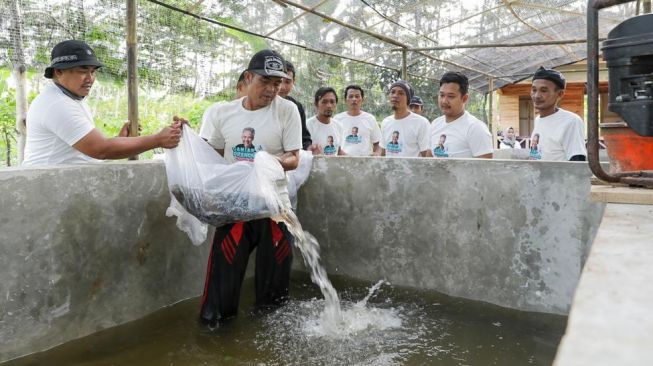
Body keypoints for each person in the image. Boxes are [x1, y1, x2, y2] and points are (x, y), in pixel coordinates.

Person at [198, 49, 301, 327]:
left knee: (274, 301)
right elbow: (212, 157)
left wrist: (265, 162)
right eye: (265, 81)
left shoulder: (287, 110)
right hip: (235, 210)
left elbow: (293, 158)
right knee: (220, 295)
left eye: (277, 83)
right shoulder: (222, 113)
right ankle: (217, 337)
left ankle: (269, 342)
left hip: (274, 211)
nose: (272, 89)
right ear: (247, 77)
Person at [22, 40, 182, 166]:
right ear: (59, 72)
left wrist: (119, 140)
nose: (90, 78)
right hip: (44, 189)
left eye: (93, 71)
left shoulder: (70, 97)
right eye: (83, 71)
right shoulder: (56, 104)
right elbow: (100, 149)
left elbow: (85, 150)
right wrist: (157, 140)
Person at [427, 71, 493, 159]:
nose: (444, 101)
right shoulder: (435, 124)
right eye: (442, 95)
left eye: (450, 96)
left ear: (464, 98)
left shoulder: (475, 128)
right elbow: (428, 162)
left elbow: (485, 169)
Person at [529, 66, 587, 161]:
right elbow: (535, 156)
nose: (536, 95)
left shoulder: (571, 121)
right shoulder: (538, 120)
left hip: (559, 176)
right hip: (538, 175)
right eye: (534, 90)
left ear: (560, 94)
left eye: (544, 90)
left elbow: (577, 162)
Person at [380, 80, 429, 157]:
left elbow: (426, 155)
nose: (395, 96)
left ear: (408, 100)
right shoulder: (385, 122)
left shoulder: (421, 123)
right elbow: (383, 153)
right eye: (392, 92)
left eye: (401, 93)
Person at [334, 85, 382, 156]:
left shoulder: (370, 119)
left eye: (357, 96)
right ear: (345, 100)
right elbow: (333, 143)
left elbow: (378, 144)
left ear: (362, 100)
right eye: (351, 96)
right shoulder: (337, 119)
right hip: (342, 162)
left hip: (365, 163)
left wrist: (376, 154)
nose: (354, 99)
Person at [279, 60, 312, 150]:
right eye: (279, 81)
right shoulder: (262, 103)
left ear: (294, 82)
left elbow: (304, 138)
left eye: (287, 82)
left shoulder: (297, 107)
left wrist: (309, 148)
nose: (282, 87)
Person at [306, 87, 344, 156]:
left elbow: (338, 151)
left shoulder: (338, 126)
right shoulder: (307, 126)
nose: (329, 105)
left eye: (332, 102)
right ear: (316, 104)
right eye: (324, 102)